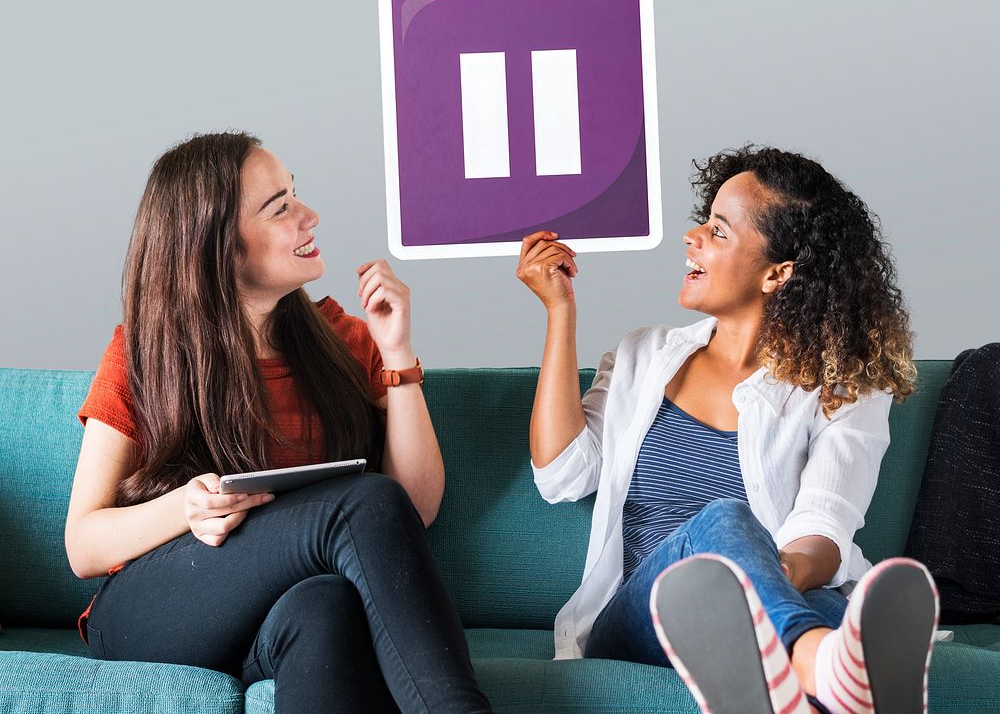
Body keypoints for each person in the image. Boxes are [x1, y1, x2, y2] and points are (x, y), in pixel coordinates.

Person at [65, 131, 492, 714]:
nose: (310, 216)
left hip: (277, 619)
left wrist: (398, 354)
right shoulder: (143, 356)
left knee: (327, 605)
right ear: (217, 247)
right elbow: (83, 546)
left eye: (296, 195)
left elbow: (412, 511)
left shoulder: (347, 342)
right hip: (158, 610)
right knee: (362, 501)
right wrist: (184, 508)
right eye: (280, 207)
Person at [515, 145, 938, 714]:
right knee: (724, 524)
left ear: (777, 274)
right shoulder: (643, 357)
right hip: (644, 614)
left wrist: (760, 576)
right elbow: (562, 475)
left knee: (839, 621)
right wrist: (559, 312)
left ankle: (818, 675)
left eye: (717, 231)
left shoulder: (845, 386)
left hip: (779, 596)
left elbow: (824, 524)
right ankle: (816, 661)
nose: (691, 237)